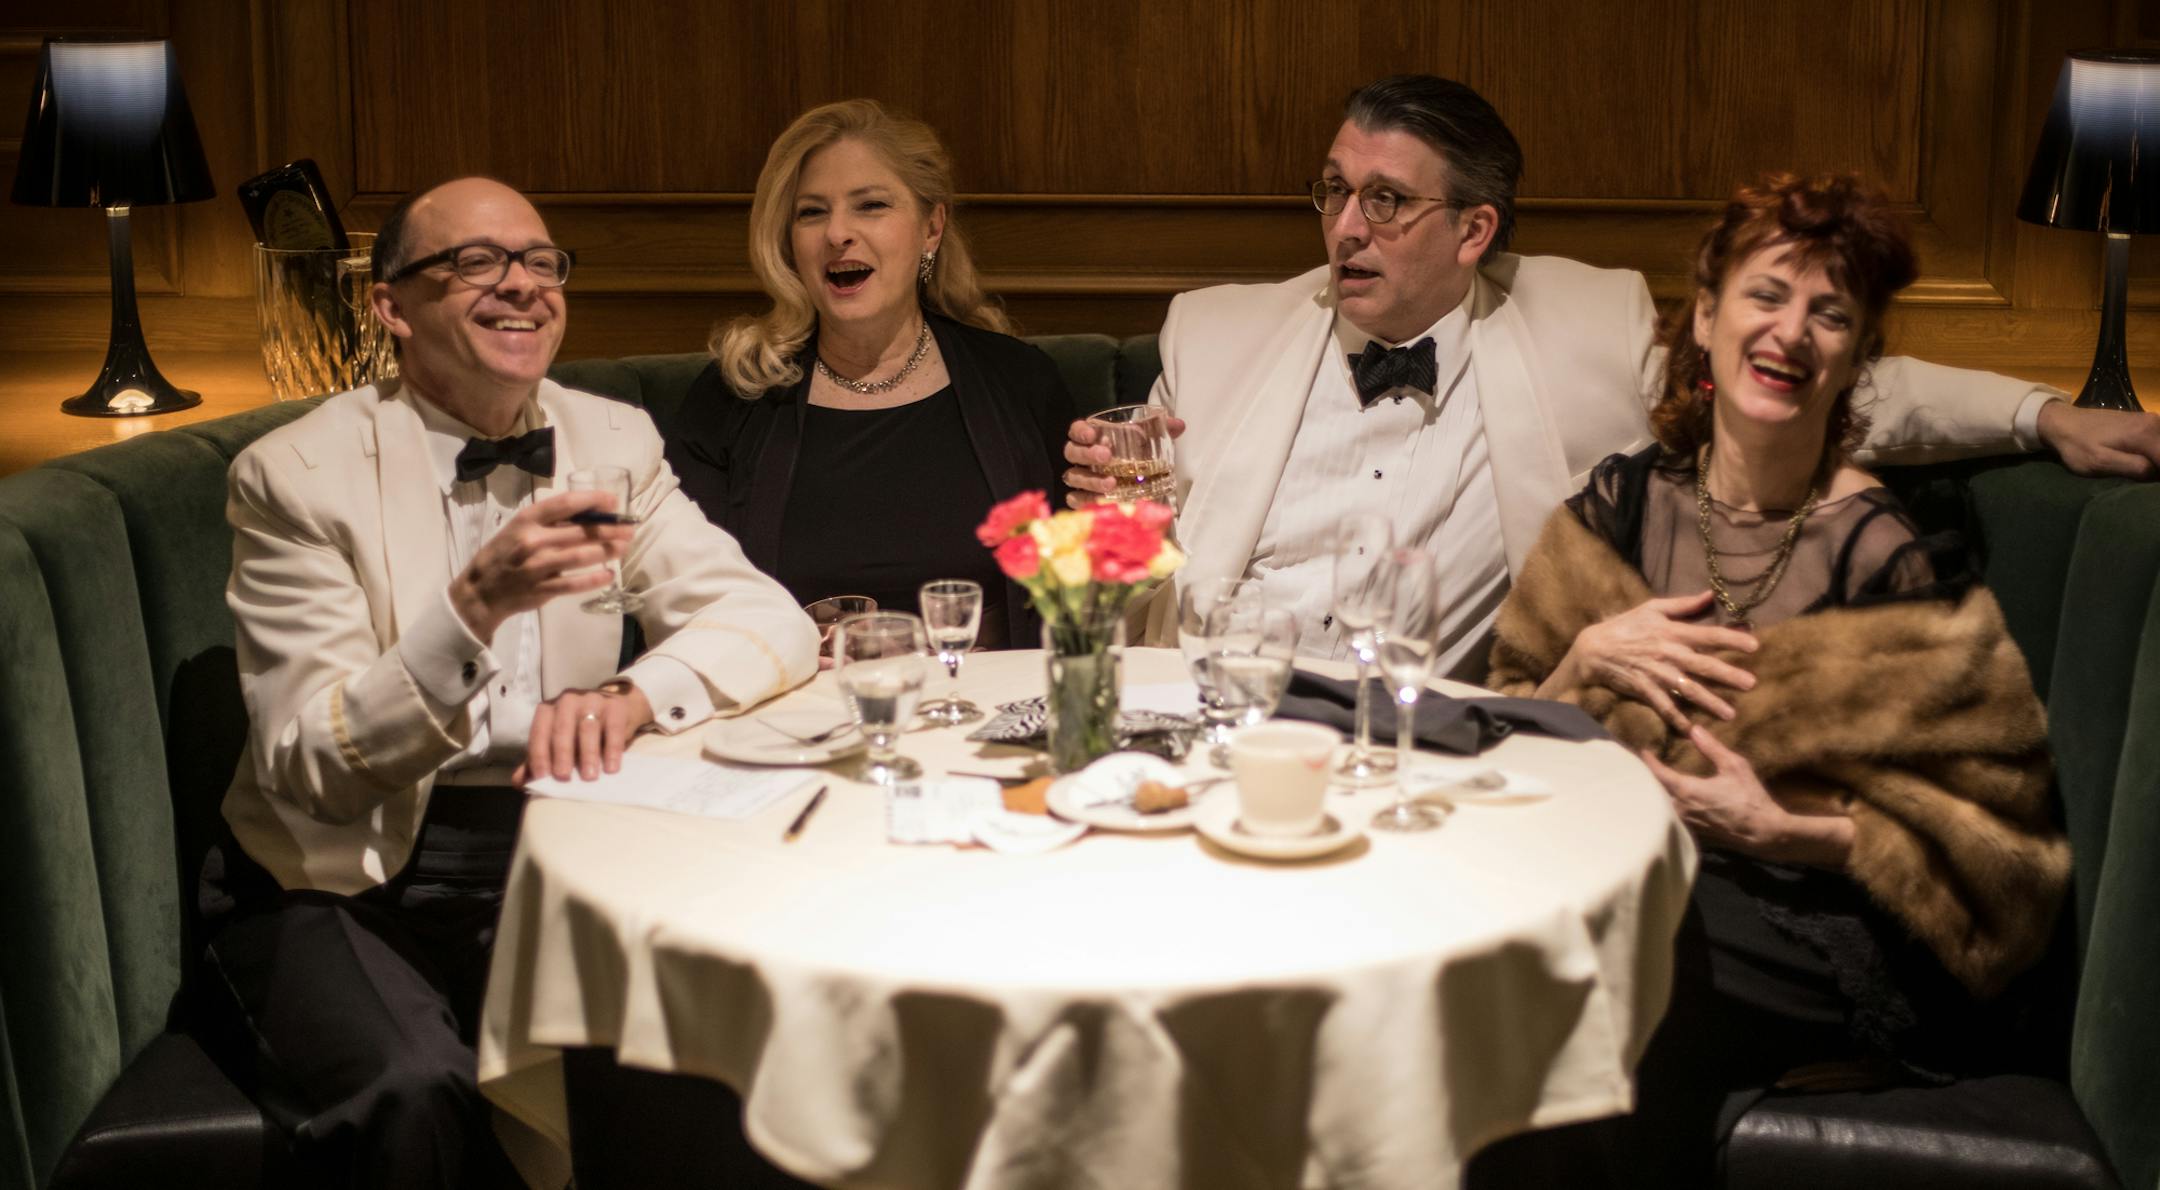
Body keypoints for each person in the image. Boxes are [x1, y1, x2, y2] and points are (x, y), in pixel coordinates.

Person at [1065, 74, 2160, 677]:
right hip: (1204, 720)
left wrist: (2039, 411)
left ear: (1472, 229)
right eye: (1334, 191)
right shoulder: (1212, 335)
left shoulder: (1585, 328)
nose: (1345, 227)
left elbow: (1808, 379)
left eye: (1386, 201)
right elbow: (1128, 554)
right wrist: (1108, 519)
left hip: (1418, 744)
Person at [201, 177, 819, 1189]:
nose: (521, 285)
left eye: (540, 261)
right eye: (475, 263)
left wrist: (627, 695)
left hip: (553, 847)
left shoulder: (610, 443)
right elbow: (309, 764)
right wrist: (470, 611)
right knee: (411, 1086)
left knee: (702, 1045)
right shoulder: (294, 476)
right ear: (390, 305)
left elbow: (764, 617)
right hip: (337, 874)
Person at [1481, 172, 2068, 1186]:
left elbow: (2007, 851)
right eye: (1767, 295)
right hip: (1623, 882)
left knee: (1612, 982)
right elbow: (1500, 745)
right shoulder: (1617, 508)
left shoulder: (1885, 556)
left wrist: (1782, 829)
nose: (1791, 332)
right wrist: (1582, 661)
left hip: (1822, 922)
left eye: (1829, 312)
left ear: (1856, 356)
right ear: (1705, 317)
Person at [667, 98, 1074, 648]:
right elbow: (688, 603)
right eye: (811, 212)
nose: (838, 233)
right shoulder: (734, 396)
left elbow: (1079, 587)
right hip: (800, 713)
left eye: (871, 205)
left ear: (931, 228)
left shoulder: (1021, 382)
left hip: (984, 710)